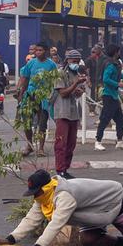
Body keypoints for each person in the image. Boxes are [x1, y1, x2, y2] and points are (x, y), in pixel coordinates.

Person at [17, 42, 58, 156]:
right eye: (37, 50)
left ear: (46, 51)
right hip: (30, 95)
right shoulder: (31, 63)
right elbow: (25, 79)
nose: (38, 52)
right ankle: (29, 146)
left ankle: (41, 148)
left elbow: (56, 81)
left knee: (42, 123)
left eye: (40, 50)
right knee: (27, 122)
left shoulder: (51, 65)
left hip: (44, 96)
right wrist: (21, 94)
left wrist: (53, 96)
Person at [52, 50, 86, 178]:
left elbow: (75, 94)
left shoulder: (76, 74)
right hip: (62, 111)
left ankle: (65, 168)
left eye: (78, 61)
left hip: (73, 112)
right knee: (61, 143)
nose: (76, 63)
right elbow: (63, 93)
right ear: (67, 60)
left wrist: (79, 90)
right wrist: (75, 84)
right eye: (74, 61)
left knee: (71, 144)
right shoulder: (60, 74)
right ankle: (60, 169)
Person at [95, 45, 123, 151]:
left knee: (120, 120)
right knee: (104, 119)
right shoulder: (110, 65)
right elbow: (106, 79)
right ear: (116, 52)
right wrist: (118, 84)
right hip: (108, 96)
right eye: (119, 51)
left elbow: (118, 75)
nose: (120, 53)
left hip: (114, 96)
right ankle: (98, 142)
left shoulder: (116, 64)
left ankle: (120, 141)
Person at [86, 45, 102, 114]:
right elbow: (87, 72)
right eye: (92, 52)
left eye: (95, 52)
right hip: (91, 80)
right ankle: (91, 110)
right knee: (91, 95)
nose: (94, 54)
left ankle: (94, 109)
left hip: (97, 80)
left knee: (97, 96)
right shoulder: (88, 60)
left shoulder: (98, 60)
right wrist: (88, 81)